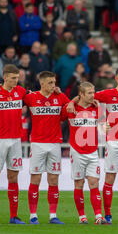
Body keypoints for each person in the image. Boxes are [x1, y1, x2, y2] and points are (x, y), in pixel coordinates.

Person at [66, 67, 118, 224]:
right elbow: (84, 97)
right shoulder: (106, 94)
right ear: (117, 78)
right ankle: (108, 215)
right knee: (110, 177)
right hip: (113, 141)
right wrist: (72, 101)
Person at [0, 64, 30, 224]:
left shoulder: (21, 92)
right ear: (5, 78)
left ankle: (13, 216)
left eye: (17, 78)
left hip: (16, 139)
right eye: (13, 78)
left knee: (13, 176)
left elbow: (36, 97)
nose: (16, 81)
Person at [23, 71, 70, 224]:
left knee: (53, 179)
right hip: (37, 143)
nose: (53, 85)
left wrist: (62, 94)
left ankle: (52, 215)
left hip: (55, 143)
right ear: (42, 83)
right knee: (35, 178)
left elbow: (71, 107)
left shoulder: (60, 97)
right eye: (50, 82)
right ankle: (33, 215)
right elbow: (17, 97)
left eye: (54, 82)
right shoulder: (31, 97)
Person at [63, 82, 107, 224]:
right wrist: (71, 101)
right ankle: (82, 217)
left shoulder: (96, 108)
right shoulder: (71, 108)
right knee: (79, 184)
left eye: (93, 92)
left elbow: (105, 126)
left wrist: (102, 113)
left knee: (94, 183)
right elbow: (58, 119)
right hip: (77, 151)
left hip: (93, 151)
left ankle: (98, 216)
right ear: (81, 94)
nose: (93, 95)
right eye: (89, 93)